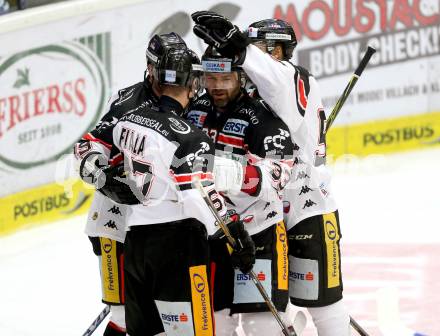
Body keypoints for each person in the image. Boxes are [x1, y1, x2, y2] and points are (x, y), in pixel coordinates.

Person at [76, 44, 256, 336]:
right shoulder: (183, 133)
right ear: (191, 83)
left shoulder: (128, 121)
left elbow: (95, 143)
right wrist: (233, 232)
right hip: (171, 243)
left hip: (136, 237)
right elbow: (198, 196)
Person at [191, 12, 351, 336]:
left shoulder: (283, 80)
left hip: (306, 208)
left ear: (276, 51)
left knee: (322, 305)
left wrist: (238, 46)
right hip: (274, 210)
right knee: (276, 308)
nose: (254, 55)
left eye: (259, 48)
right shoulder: (264, 88)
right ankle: (292, 321)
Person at [73, 32, 187, 336]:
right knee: (125, 317)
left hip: (166, 227)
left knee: (166, 316)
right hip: (116, 225)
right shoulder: (126, 101)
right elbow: (90, 144)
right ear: (150, 66)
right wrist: (100, 173)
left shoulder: (190, 99)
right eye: (161, 67)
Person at [184, 46, 294, 336]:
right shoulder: (193, 112)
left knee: (262, 327)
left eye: (226, 79)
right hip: (212, 234)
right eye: (210, 77)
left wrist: (221, 172)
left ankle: (292, 314)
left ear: (242, 76)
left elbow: (278, 177)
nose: (217, 86)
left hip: (258, 233)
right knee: (215, 326)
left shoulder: (262, 117)